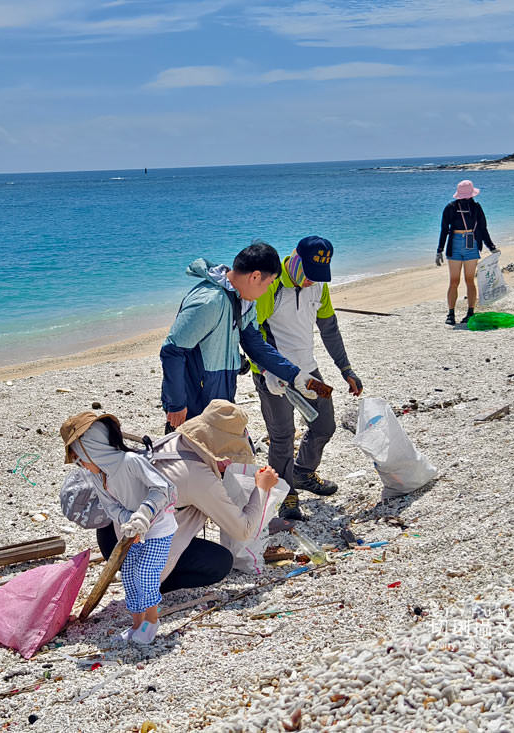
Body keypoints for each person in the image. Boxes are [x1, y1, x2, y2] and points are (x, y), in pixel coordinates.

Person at [94, 400, 281, 594]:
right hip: (131, 548)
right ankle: (152, 583)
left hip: (110, 532)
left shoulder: (175, 440)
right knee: (220, 562)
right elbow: (243, 531)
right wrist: (262, 488)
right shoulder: (198, 476)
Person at [250, 236, 364, 521]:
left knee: (325, 425)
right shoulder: (271, 287)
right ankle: (286, 494)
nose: (313, 282)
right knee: (282, 437)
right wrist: (267, 371)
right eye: (310, 275)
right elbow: (250, 335)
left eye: (319, 277)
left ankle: (302, 473)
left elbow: (329, 329)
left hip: (309, 371)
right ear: (296, 260)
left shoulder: (318, 288)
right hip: (275, 375)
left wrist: (346, 369)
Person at [160, 240, 323, 433]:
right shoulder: (209, 302)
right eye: (269, 283)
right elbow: (172, 350)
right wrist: (177, 404)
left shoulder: (243, 301)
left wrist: (294, 375)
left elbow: (255, 344)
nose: (266, 291)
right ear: (255, 277)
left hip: (219, 397)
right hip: (192, 404)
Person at [60, 412, 177, 645]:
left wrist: (143, 514)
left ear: (92, 450)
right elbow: (111, 507)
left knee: (145, 574)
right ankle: (136, 624)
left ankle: (151, 622)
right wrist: (129, 521)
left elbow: (164, 489)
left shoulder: (130, 462)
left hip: (159, 529)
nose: (80, 465)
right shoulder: (98, 476)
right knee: (130, 577)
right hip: (130, 532)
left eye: (80, 459)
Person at [436, 179, 498, 325]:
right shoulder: (475, 207)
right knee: (467, 280)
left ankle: (452, 314)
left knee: (455, 281)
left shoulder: (450, 207)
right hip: (470, 243)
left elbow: (444, 230)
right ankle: (466, 312)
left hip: (457, 244)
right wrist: (491, 246)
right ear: (471, 194)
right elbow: (483, 229)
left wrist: (439, 250)